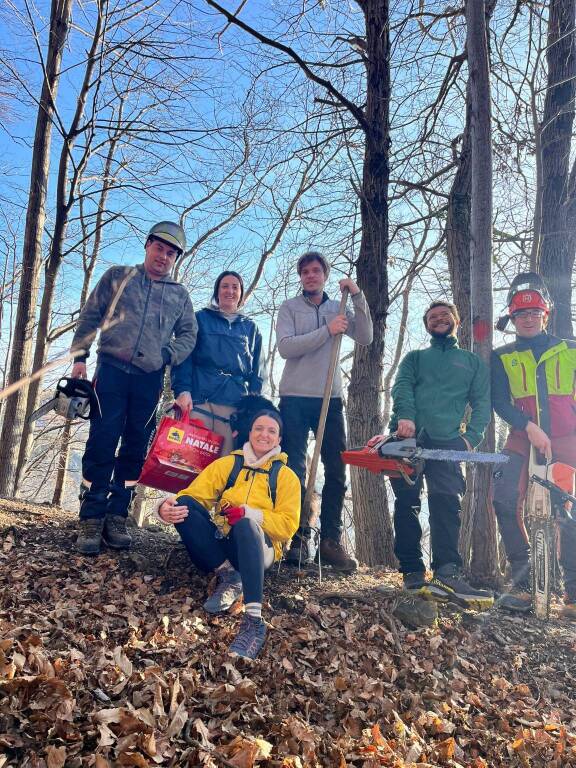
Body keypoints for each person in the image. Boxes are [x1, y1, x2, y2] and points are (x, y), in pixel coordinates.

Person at [70, 221, 197, 555]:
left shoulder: (179, 295)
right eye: (159, 248)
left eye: (171, 253)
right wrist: (80, 357)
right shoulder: (118, 276)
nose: (164, 256)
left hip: (149, 379)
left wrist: (167, 355)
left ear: (175, 258)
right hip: (110, 370)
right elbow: (91, 315)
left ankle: (117, 514)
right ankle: (92, 515)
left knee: (136, 445)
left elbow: (189, 335)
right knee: (102, 439)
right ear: (147, 245)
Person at [369, 301, 494, 609]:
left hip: (449, 442)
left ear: (456, 321)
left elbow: (482, 403)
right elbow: (402, 387)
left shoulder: (471, 362)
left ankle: (447, 571)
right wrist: (406, 418)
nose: (439, 320)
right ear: (426, 325)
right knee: (407, 503)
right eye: (432, 318)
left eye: (444, 316)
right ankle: (412, 570)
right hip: (408, 439)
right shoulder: (415, 358)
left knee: (447, 505)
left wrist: (470, 439)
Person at [157, 410, 300, 659]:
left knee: (245, 525)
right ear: (250, 432)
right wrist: (163, 508)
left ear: (278, 440)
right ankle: (228, 575)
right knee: (185, 506)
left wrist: (251, 515)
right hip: (221, 545)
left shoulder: (286, 477)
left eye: (271, 431)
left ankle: (254, 621)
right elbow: (194, 495)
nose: (264, 434)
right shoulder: (229, 464)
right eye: (259, 428)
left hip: (259, 549)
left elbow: (288, 526)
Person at [276, 251, 373, 572]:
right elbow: (287, 347)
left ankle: (330, 541)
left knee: (336, 468)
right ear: (301, 277)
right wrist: (327, 331)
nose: (310, 276)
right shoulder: (289, 308)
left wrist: (357, 296)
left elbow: (366, 336)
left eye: (316, 271)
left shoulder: (339, 306)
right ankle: (298, 537)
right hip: (294, 396)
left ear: (325, 275)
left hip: (329, 399)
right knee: (294, 468)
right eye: (305, 272)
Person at [491, 274, 576, 617]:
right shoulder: (503, 356)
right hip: (522, 437)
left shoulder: (569, 349)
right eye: (520, 314)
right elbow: (499, 400)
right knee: (505, 498)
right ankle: (525, 584)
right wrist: (528, 426)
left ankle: (572, 594)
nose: (527, 319)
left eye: (533, 313)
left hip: (567, 438)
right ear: (512, 318)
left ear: (545, 313)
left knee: (568, 511)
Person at [172, 271, 266, 455]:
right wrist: (183, 390)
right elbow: (184, 357)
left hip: (233, 406)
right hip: (199, 400)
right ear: (217, 292)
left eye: (235, 287)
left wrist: (252, 408)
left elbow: (258, 373)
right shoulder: (200, 319)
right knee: (189, 461)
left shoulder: (250, 328)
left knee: (225, 467)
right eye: (225, 286)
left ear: (241, 293)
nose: (229, 291)